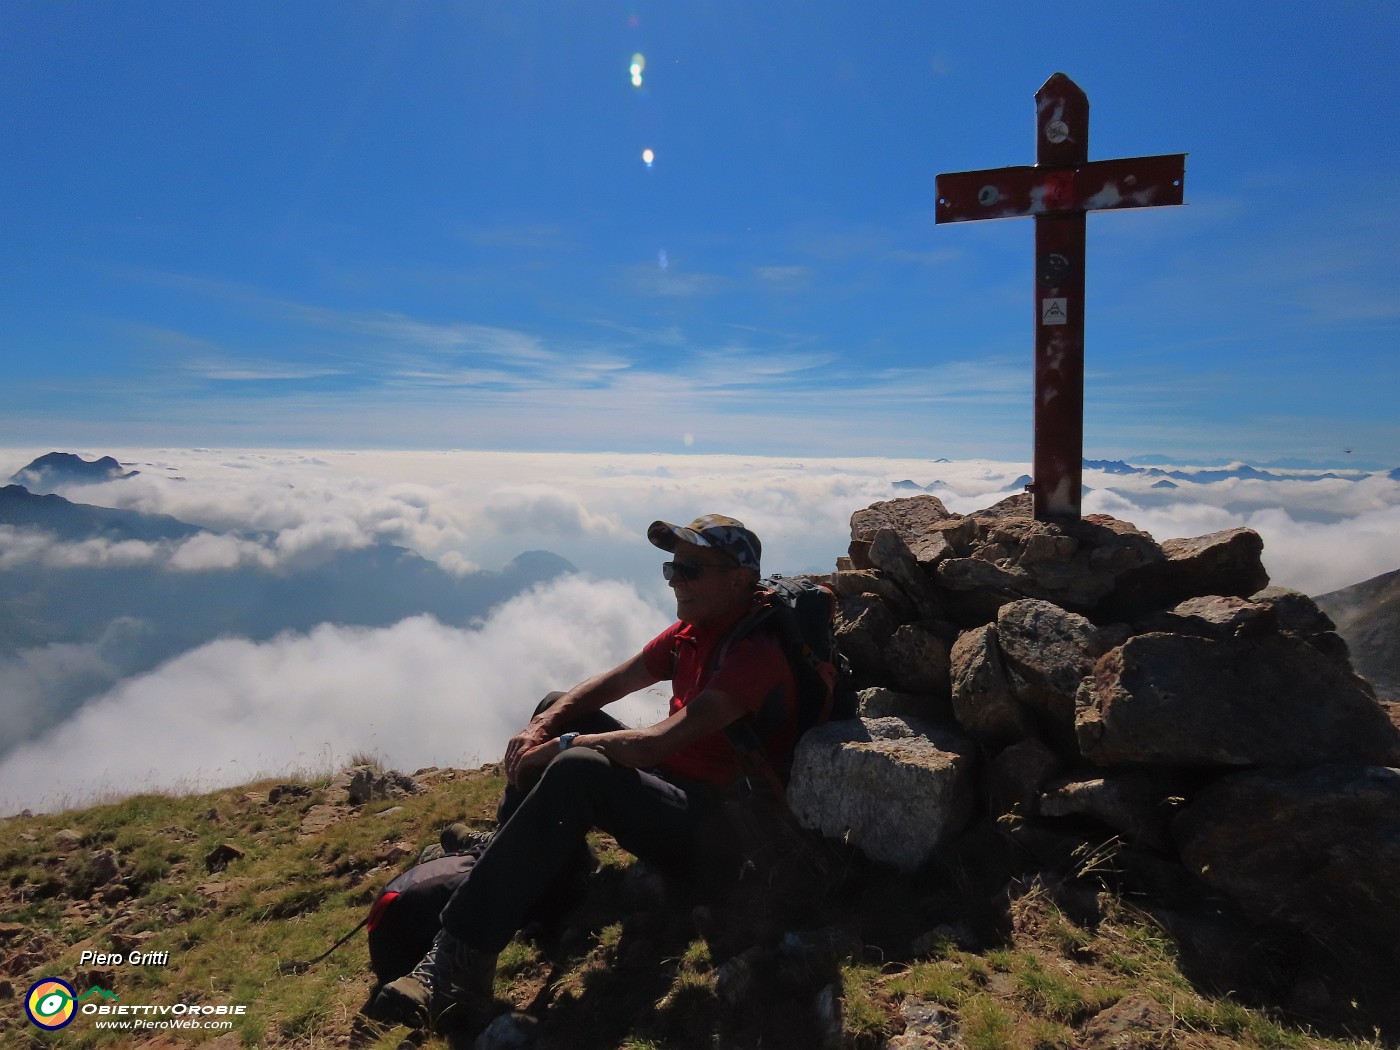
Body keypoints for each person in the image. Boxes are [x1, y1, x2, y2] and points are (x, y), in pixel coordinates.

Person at [368, 514, 799, 1031]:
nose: (676, 580)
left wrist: (562, 745)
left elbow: (657, 743)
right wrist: (547, 724)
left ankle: (455, 964)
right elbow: (615, 681)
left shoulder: (754, 654)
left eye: (691, 569)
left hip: (719, 834)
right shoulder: (694, 632)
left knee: (576, 765)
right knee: (559, 708)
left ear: (739, 579)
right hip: (676, 792)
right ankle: (529, 856)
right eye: (672, 568)